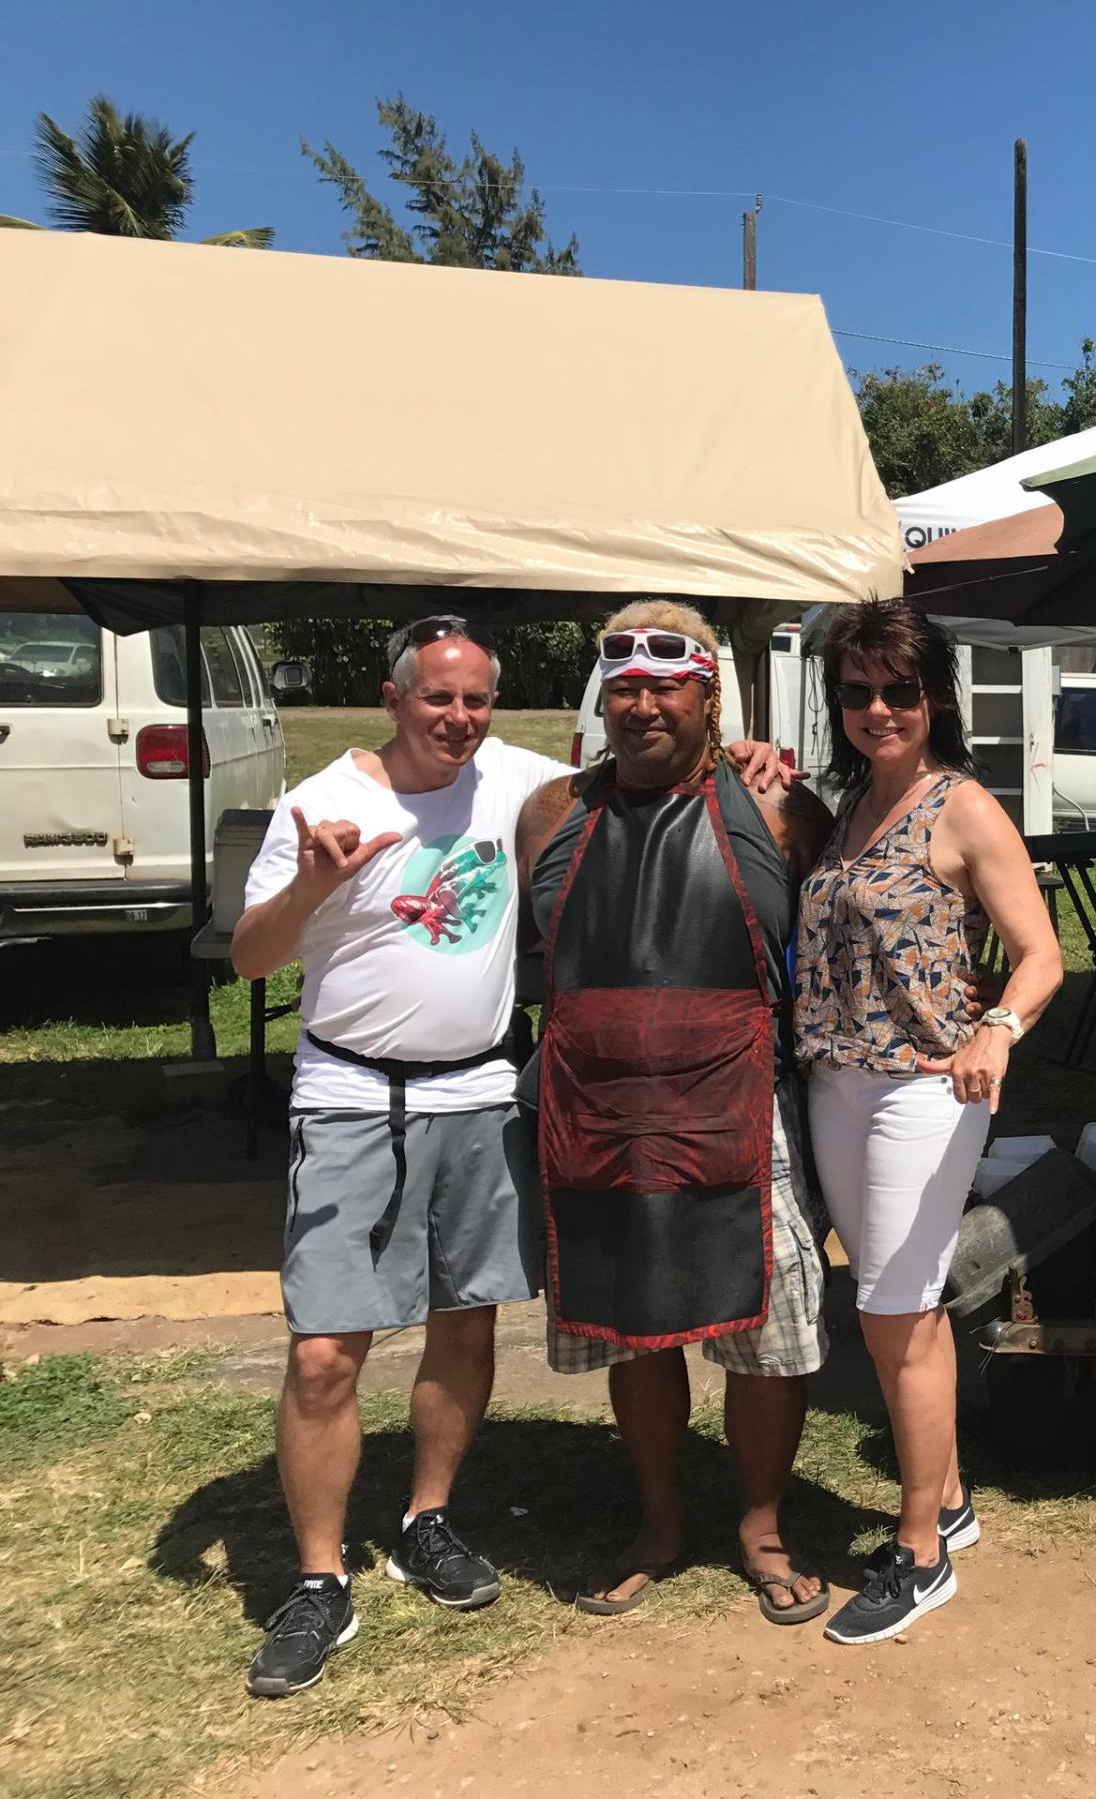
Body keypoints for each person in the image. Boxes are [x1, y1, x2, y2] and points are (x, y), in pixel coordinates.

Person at [232, 614, 785, 1698]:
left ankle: (429, 1519)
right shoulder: (322, 801)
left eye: (477, 699)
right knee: (323, 1351)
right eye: (437, 698)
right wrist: (310, 886)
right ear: (392, 699)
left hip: (483, 1089)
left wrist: (750, 754)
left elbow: (652, 751)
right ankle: (317, 1579)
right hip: (353, 1094)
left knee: (463, 1325)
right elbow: (252, 960)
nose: (458, 718)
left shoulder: (524, 787)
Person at [517, 602, 839, 1625]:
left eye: (666, 684)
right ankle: (659, 1522)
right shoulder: (551, 811)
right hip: (599, 1112)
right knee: (633, 1326)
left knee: (774, 1335)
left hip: (737, 1105)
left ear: (708, 694)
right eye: (624, 685)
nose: (642, 702)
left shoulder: (779, 809)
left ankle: (760, 1523)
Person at [795, 598, 1062, 1645]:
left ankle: (920, 1551)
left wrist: (998, 1026)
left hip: (927, 1086)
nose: (877, 709)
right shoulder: (848, 802)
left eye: (898, 690)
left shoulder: (964, 810)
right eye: (857, 691)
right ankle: (944, 1496)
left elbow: (1042, 953)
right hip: (836, 1081)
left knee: (895, 1310)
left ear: (935, 696)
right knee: (892, 1300)